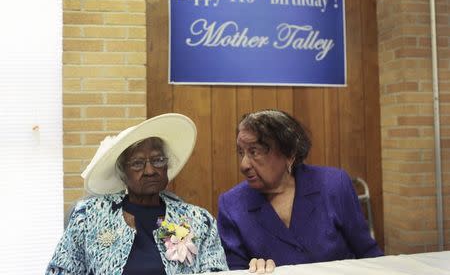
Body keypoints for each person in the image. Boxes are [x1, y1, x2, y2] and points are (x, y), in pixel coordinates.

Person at [46, 113, 228, 275]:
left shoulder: (199, 220)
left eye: (157, 160)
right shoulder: (89, 216)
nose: (150, 170)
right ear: (122, 173)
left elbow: (217, 271)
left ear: (167, 165)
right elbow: (60, 270)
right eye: (137, 163)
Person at [217, 109, 383, 273]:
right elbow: (235, 270)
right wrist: (251, 270)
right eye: (241, 152)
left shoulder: (333, 185)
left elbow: (367, 253)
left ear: (289, 153)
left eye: (254, 151)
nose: (244, 165)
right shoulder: (232, 206)